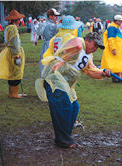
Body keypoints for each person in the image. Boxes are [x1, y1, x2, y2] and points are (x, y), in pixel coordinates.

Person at [35, 15, 111, 148]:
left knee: (74, 107)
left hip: (67, 85)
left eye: (97, 47)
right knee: (65, 106)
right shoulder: (77, 41)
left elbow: (91, 71)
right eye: (94, 45)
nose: (95, 49)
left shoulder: (88, 55)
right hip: (54, 79)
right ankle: (64, 140)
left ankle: (63, 137)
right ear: (87, 40)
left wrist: (103, 72)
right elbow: (74, 44)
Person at [0, 9, 27, 98]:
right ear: (17, 20)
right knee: (16, 73)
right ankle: (14, 94)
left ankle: (12, 93)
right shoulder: (13, 29)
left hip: (10, 52)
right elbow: (14, 43)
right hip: (14, 53)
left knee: (12, 72)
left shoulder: (8, 27)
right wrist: (17, 56)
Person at [101, 14, 122, 83]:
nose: (121, 23)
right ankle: (118, 78)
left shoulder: (116, 27)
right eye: (120, 21)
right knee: (117, 64)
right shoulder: (112, 28)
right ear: (117, 21)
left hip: (119, 50)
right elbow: (110, 39)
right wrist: (113, 49)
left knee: (117, 64)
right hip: (115, 50)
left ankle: (116, 77)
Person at [36, 8, 61, 78]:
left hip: (46, 45)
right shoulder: (52, 25)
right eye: (55, 16)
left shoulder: (45, 24)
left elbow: (39, 32)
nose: (57, 17)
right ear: (50, 16)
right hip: (51, 46)